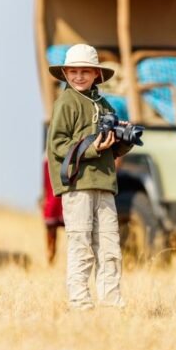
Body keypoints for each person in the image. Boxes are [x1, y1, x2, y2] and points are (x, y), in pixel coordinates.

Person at [46, 44, 133, 310]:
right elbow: (58, 145)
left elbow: (111, 146)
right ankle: (80, 305)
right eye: (74, 71)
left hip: (104, 185)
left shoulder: (104, 103)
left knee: (109, 248)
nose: (79, 76)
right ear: (65, 73)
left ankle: (111, 305)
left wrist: (124, 138)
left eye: (86, 71)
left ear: (97, 74)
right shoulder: (66, 103)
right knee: (81, 246)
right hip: (77, 186)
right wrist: (93, 147)